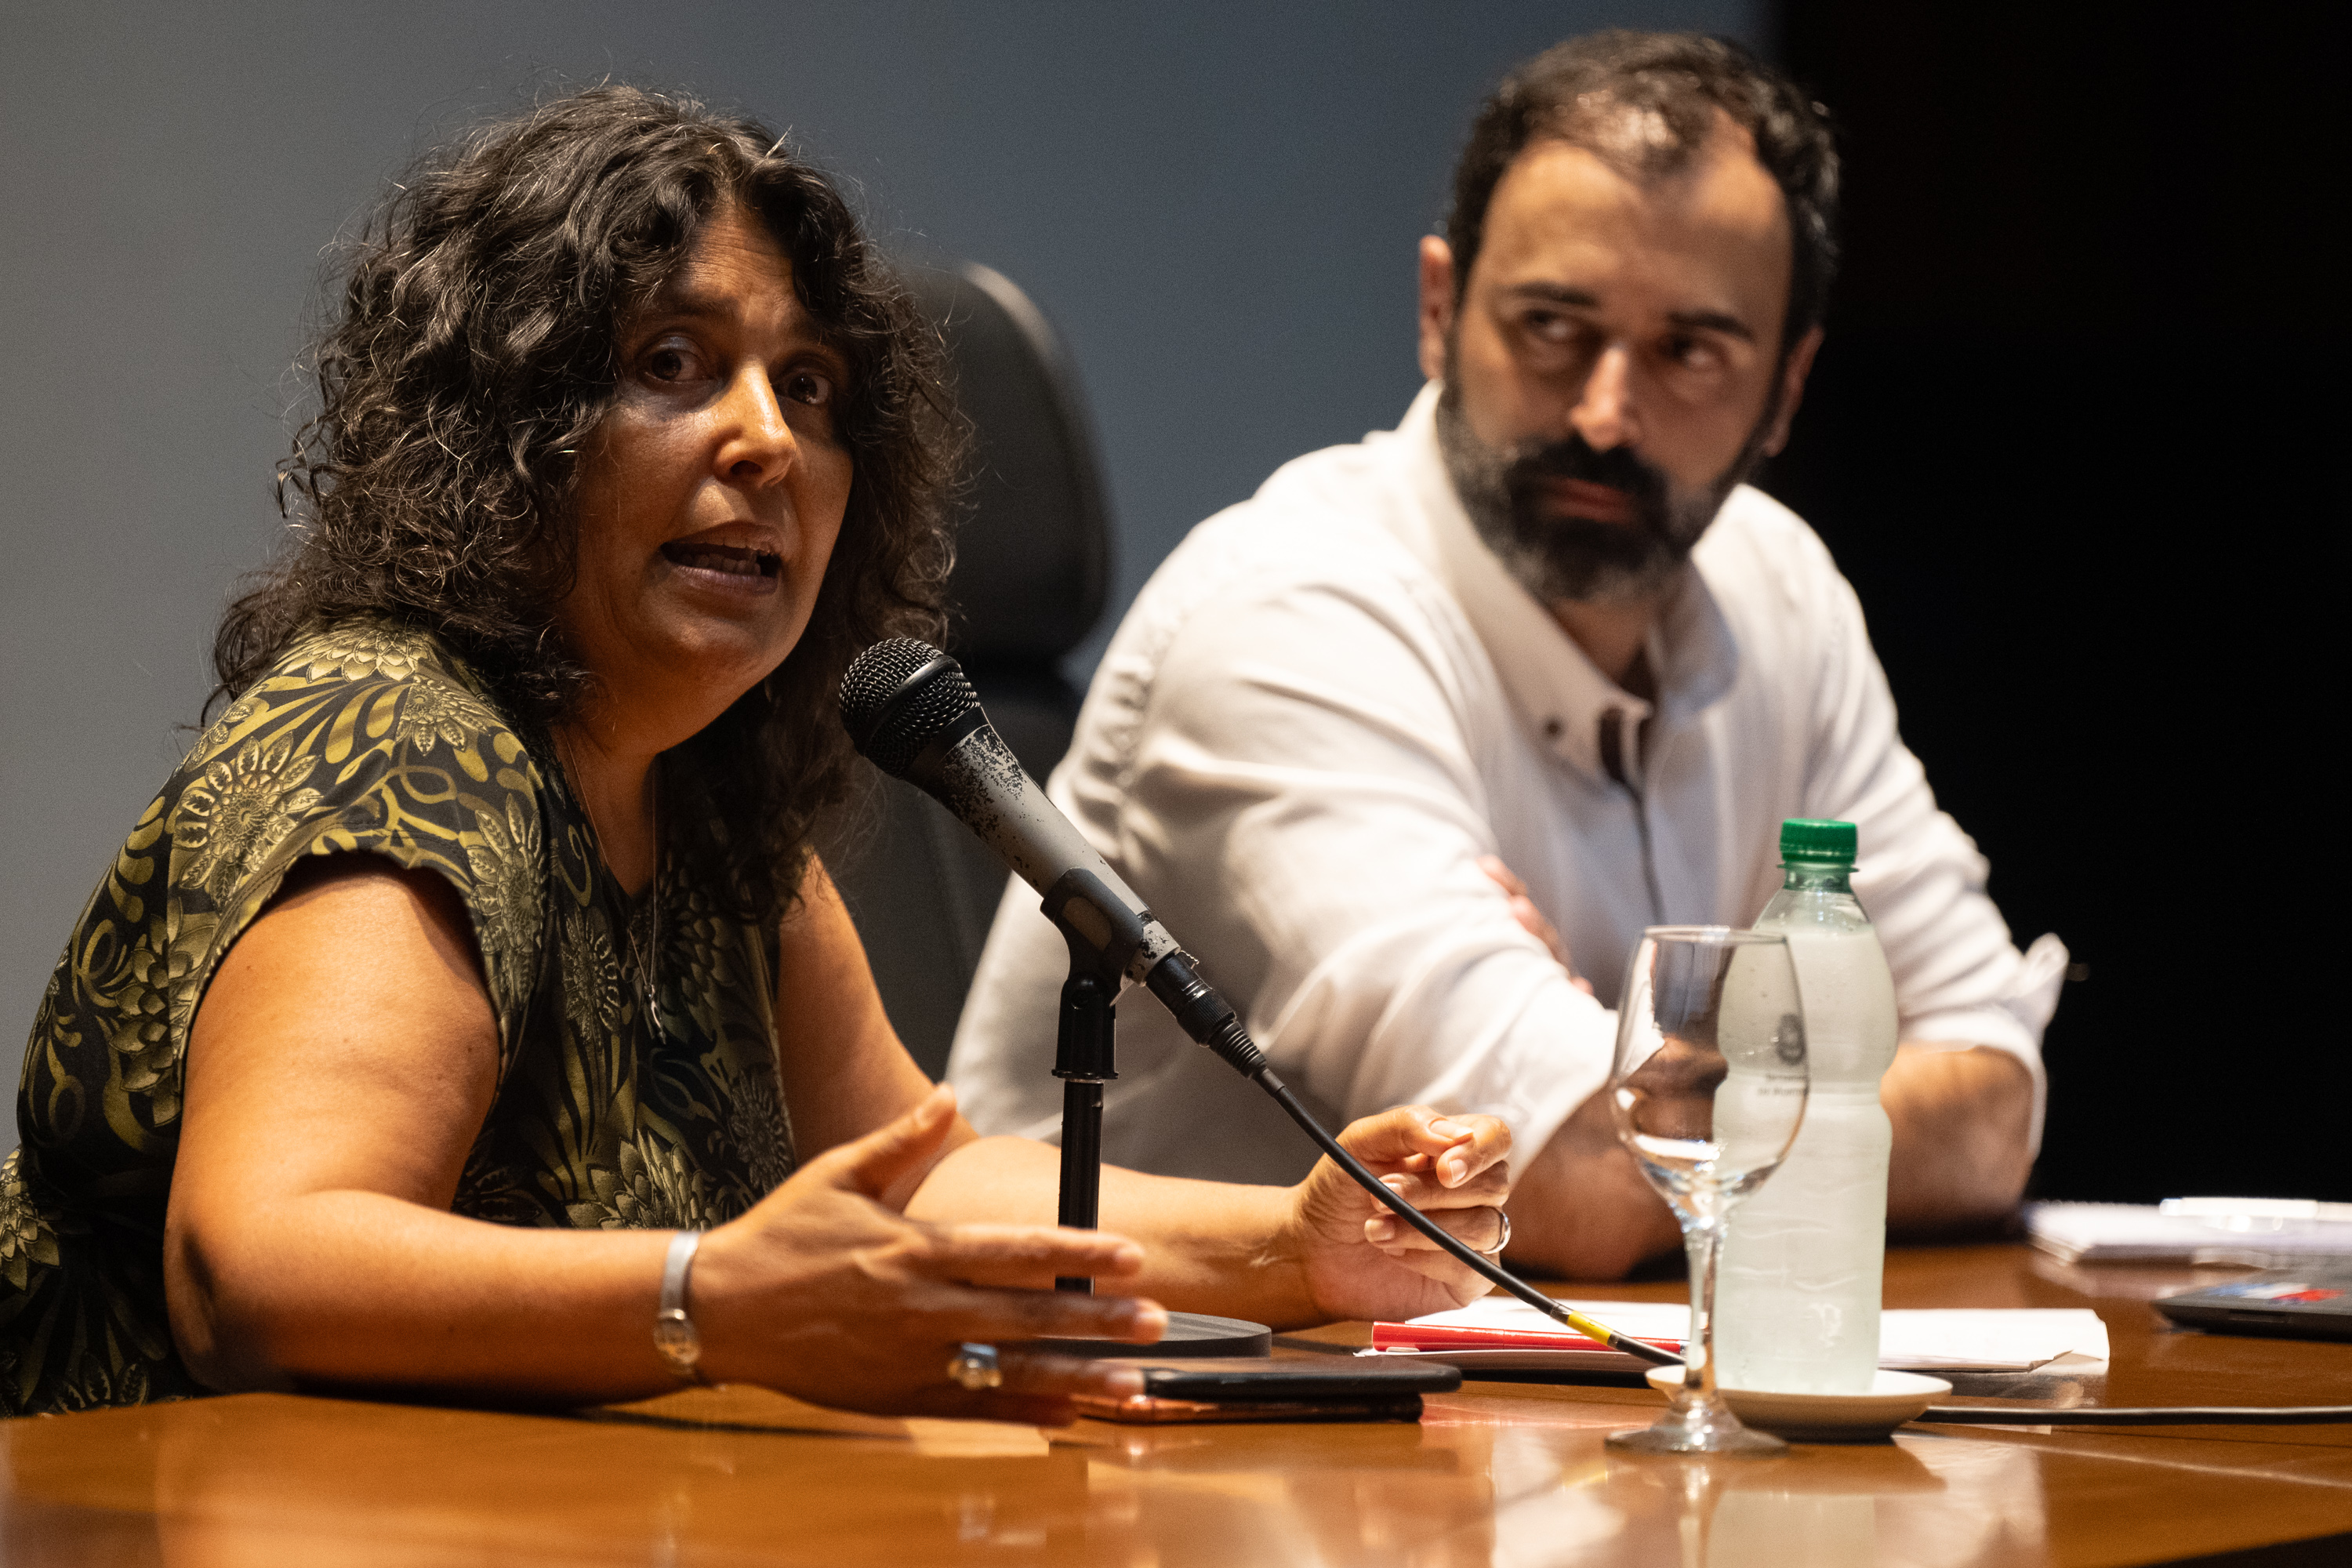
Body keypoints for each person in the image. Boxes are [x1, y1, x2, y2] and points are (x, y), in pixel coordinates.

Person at [0, 87, 1517, 1421]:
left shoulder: (712, 804)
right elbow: (255, 1261)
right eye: (674, 363)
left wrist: (1295, 1247)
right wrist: (712, 1303)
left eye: (809, 389)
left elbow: (910, 1178)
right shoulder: (393, 743)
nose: (769, 443)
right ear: (510, 432)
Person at [949, 32, 2067, 1279]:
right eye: (1552, 327)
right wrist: (1810, 1074)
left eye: (1690, 350)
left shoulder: (1779, 586)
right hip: (1168, 1419)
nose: (1604, 413)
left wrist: (1657, 1086)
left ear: (1788, 386)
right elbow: (1573, 1186)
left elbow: (1995, 1109)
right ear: (1440, 309)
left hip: (1526, 1419)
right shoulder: (1285, 617)